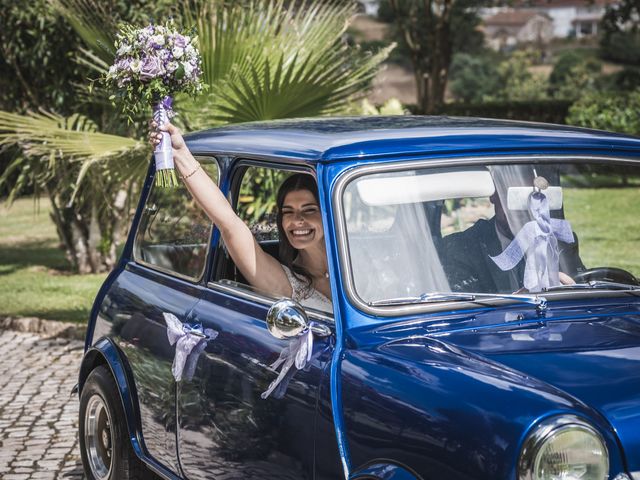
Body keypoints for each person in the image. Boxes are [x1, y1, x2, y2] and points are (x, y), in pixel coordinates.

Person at [149, 122, 332, 312]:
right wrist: (181, 155)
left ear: (327, 213)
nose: (297, 220)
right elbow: (229, 223)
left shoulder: (358, 260)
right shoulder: (286, 283)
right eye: (288, 212)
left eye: (309, 210)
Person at [442, 169, 584, 294]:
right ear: (494, 194)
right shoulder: (461, 248)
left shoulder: (560, 242)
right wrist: (515, 303)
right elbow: (465, 312)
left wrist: (573, 288)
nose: (527, 206)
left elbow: (586, 292)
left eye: (536, 196)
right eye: (516, 196)